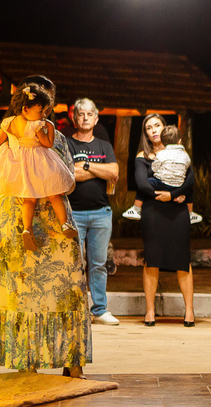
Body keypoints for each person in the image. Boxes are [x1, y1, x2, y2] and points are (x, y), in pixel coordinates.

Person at [0, 76, 91, 377]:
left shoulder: (27, 131)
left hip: (32, 218)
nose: (46, 111)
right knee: (53, 288)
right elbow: (67, 174)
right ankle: (63, 364)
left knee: (42, 289)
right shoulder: (28, 132)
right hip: (33, 219)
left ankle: (36, 363)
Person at [0, 82, 77, 252]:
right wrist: (49, 128)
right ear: (26, 109)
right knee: (54, 193)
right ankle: (65, 223)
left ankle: (27, 229)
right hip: (38, 162)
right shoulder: (36, 125)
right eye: (41, 112)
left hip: (18, 165)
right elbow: (47, 144)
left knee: (29, 199)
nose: (43, 115)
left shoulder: (8, 123)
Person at [133, 113, 196, 327]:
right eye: (148, 127)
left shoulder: (180, 154)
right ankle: (150, 311)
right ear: (145, 133)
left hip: (177, 210)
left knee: (182, 259)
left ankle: (189, 311)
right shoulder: (143, 156)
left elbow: (190, 181)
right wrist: (165, 195)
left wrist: (173, 194)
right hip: (153, 210)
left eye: (157, 125)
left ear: (164, 128)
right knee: (152, 258)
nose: (153, 130)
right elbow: (142, 184)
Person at [64, 98, 120, 326]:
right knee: (73, 264)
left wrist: (85, 165)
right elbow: (69, 174)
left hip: (101, 213)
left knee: (98, 264)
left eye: (90, 114)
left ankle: (99, 310)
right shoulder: (67, 144)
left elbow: (114, 172)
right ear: (74, 118)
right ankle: (76, 310)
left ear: (96, 119)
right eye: (81, 114)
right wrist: (99, 170)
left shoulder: (104, 146)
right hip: (73, 214)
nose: (85, 118)